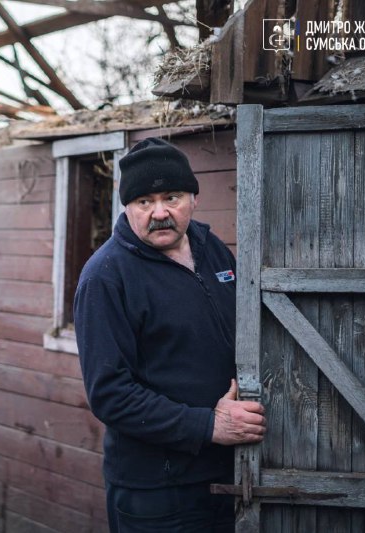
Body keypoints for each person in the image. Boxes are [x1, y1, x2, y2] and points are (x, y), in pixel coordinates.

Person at [73, 137, 266, 532]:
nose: (159, 212)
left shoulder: (212, 248)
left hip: (230, 472)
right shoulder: (105, 277)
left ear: (194, 198)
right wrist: (208, 426)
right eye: (144, 201)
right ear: (127, 206)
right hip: (157, 491)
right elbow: (110, 394)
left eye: (172, 197)